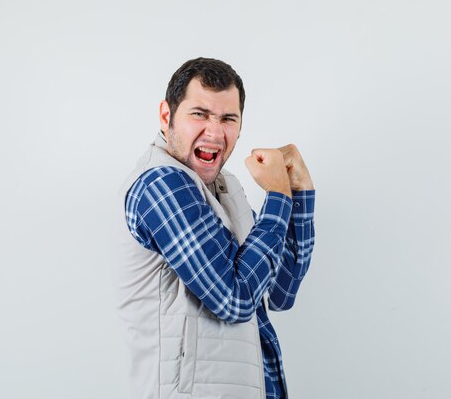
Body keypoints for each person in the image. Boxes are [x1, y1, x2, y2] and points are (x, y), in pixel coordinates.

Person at [114, 57, 316, 399]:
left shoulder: (226, 191)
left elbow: (281, 290)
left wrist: (299, 191)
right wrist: (278, 195)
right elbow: (235, 299)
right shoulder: (161, 185)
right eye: (199, 114)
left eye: (227, 119)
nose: (214, 131)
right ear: (167, 116)